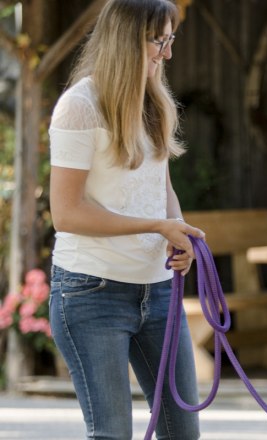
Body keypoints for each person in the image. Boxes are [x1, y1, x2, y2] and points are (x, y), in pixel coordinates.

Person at [48, 1, 204, 438]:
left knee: (183, 432)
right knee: (112, 433)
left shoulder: (153, 102)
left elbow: (162, 190)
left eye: (171, 39)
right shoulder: (79, 107)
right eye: (158, 41)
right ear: (124, 39)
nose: (167, 53)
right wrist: (155, 227)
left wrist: (179, 231)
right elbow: (67, 212)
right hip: (90, 294)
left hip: (157, 293)